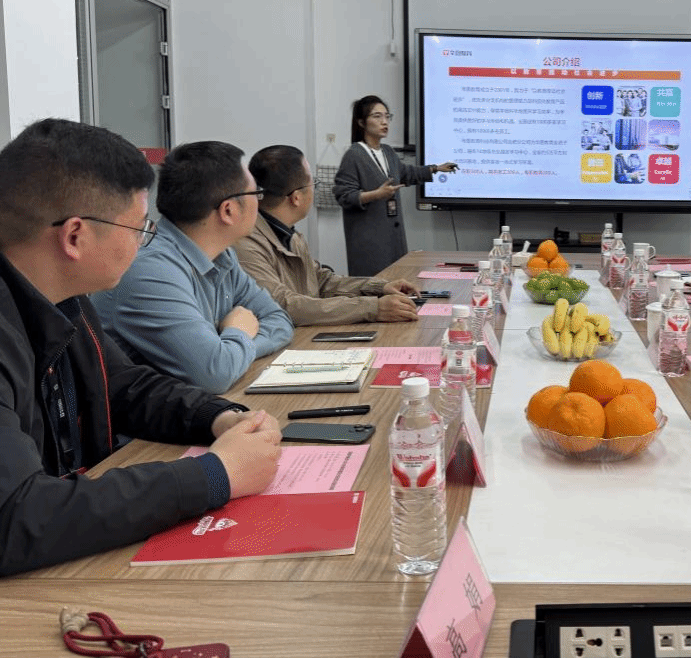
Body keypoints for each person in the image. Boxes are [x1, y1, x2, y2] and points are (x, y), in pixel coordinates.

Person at [0, 119, 281, 576]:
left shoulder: (64, 297)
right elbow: (15, 515)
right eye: (139, 229)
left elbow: (121, 386)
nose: (144, 242)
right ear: (75, 236)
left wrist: (216, 416)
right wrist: (215, 474)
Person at [93, 141, 294, 394]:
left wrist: (231, 349)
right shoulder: (150, 270)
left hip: (195, 407)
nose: (260, 202)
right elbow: (216, 373)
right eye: (256, 194)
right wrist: (239, 332)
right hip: (137, 419)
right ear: (228, 210)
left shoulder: (222, 256)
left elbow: (279, 321)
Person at [237, 145, 421, 325]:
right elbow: (284, 304)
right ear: (296, 197)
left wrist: (379, 287)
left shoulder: (289, 234)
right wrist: (372, 308)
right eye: (313, 183)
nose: (314, 189)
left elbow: (322, 281)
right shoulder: (246, 244)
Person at [333, 95, 457, 277]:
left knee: (397, 283)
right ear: (361, 122)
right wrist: (376, 194)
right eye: (377, 116)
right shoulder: (354, 155)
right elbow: (344, 196)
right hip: (369, 243)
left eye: (387, 116)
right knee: (375, 288)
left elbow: (406, 173)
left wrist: (435, 168)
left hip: (393, 239)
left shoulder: (388, 152)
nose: (384, 122)